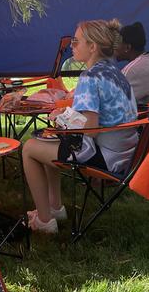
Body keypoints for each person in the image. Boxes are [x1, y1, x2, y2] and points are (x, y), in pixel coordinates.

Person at [22, 19, 138, 234]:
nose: (72, 46)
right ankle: (55, 208)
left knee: (29, 148)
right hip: (125, 153)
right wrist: (65, 117)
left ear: (92, 47)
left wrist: (61, 118)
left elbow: (89, 127)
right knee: (48, 141)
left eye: (76, 42)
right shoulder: (115, 72)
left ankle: (44, 221)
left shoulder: (89, 77)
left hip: (104, 156)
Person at [115, 21, 149, 106]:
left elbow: (113, 105)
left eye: (117, 44)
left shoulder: (133, 70)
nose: (114, 48)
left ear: (127, 47)